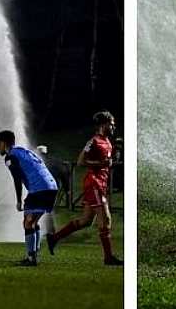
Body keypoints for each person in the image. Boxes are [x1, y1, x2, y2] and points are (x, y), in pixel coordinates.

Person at [47, 111, 123, 266]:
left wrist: (112, 160)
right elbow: (81, 161)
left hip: (101, 183)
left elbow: (106, 162)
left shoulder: (108, 142)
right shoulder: (94, 141)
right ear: (104, 124)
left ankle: (54, 238)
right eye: (112, 123)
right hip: (93, 183)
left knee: (86, 221)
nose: (114, 126)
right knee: (106, 220)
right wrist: (100, 164)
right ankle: (108, 258)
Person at [0, 130, 58, 267]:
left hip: (39, 188)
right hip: (51, 186)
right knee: (32, 221)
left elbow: (17, 179)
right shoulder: (22, 150)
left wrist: (18, 200)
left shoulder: (10, 157)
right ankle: (34, 255)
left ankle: (31, 258)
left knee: (28, 222)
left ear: (3, 143)